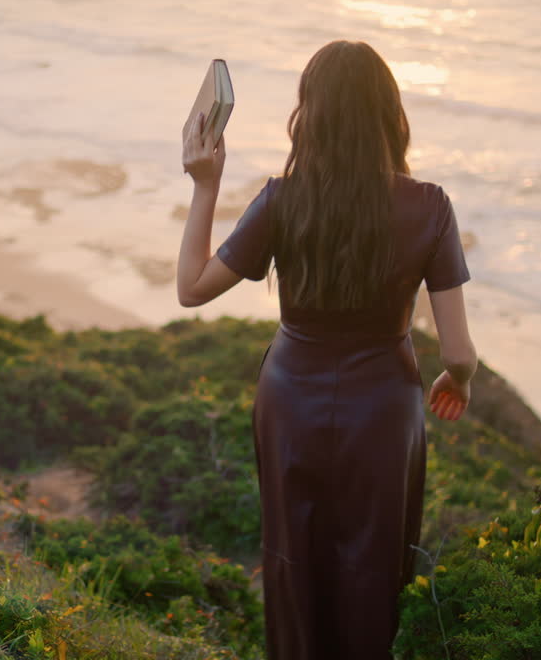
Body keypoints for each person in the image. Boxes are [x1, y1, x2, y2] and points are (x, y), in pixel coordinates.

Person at [175, 40, 477, 659]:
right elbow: (460, 352)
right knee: (375, 562)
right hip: (384, 407)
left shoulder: (282, 199)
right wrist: (458, 381)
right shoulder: (430, 207)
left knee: (295, 560)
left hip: (290, 397)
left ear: (309, 114)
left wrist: (206, 185)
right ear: (390, 114)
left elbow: (192, 289)